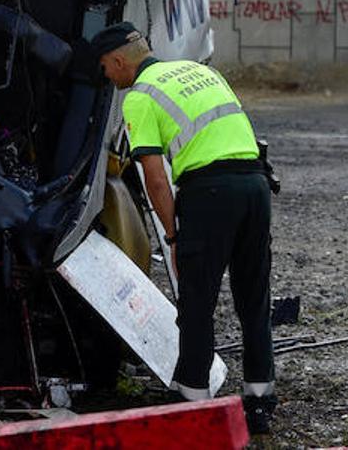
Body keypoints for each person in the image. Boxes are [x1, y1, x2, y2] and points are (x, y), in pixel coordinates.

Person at [92, 22, 278, 435]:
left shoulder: (139, 98)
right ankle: (260, 401)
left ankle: (192, 401)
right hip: (256, 185)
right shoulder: (202, 72)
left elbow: (155, 180)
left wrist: (173, 236)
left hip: (210, 193)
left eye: (105, 68)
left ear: (120, 61)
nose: (107, 77)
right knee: (253, 298)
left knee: (197, 303)